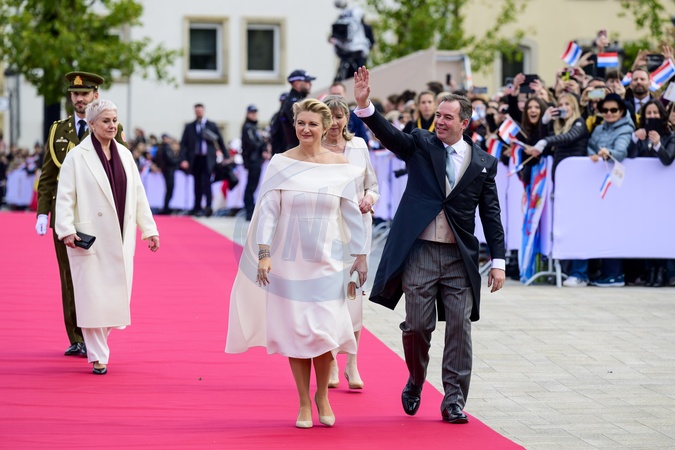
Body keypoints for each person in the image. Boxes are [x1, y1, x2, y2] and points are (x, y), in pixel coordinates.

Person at [352, 67, 506, 424]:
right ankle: (416, 377)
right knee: (417, 326)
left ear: (464, 122)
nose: (439, 121)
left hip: (458, 258)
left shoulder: (484, 163)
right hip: (420, 251)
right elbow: (392, 137)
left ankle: (454, 400)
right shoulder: (421, 144)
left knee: (460, 329)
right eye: (437, 115)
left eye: (447, 117)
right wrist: (366, 107)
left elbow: (491, 214)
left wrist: (498, 261)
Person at [226, 98, 368, 429]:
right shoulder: (280, 163)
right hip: (290, 265)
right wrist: (264, 254)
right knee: (297, 333)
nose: (306, 129)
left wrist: (361, 256)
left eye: (312, 124)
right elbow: (268, 211)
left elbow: (352, 214)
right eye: (300, 123)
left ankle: (323, 396)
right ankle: (304, 401)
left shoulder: (341, 166)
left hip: (328, 262)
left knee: (325, 332)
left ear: (326, 127)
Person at [55, 99, 159, 375]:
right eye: (105, 121)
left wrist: (149, 229)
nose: (112, 125)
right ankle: (98, 355)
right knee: (92, 298)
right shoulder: (76, 157)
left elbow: (138, 195)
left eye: (114, 120)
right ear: (91, 124)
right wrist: (65, 229)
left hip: (121, 236)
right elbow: (64, 197)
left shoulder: (125, 154)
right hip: (89, 237)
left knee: (115, 299)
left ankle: (99, 345)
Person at [35, 72, 126, 357]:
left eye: (85, 94)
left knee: (97, 276)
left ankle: (96, 333)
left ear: (95, 96)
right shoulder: (58, 130)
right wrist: (42, 212)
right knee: (69, 276)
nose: (79, 99)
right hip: (65, 214)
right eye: (75, 94)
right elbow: (48, 175)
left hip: (98, 214)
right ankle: (77, 337)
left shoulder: (109, 126)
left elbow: (120, 172)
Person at [322, 95, 379, 390]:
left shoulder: (358, 146)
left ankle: (352, 363)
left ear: (347, 118)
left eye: (339, 116)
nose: (334, 122)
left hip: (357, 230)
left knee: (354, 298)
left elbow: (373, 184)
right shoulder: (314, 149)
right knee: (329, 299)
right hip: (325, 232)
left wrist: (369, 198)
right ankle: (331, 361)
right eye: (329, 116)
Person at [587, 93, 634, 287]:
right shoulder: (598, 128)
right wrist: (595, 155)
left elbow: (621, 152)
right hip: (600, 187)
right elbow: (590, 146)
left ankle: (615, 274)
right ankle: (605, 272)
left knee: (614, 227)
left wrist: (608, 153)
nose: (609, 113)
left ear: (621, 111)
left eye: (614, 110)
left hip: (618, 186)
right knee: (601, 226)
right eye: (605, 110)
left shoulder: (626, 129)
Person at [179, 103, 226, 217]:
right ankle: (197, 207)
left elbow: (220, 141)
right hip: (195, 159)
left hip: (208, 159)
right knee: (197, 184)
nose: (198, 113)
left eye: (200, 110)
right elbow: (183, 144)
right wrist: (183, 159)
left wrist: (226, 156)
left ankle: (208, 207)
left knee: (207, 183)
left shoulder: (211, 125)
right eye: (197, 111)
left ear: (204, 111)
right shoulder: (190, 127)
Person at [240, 104, 270, 221]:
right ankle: (249, 210)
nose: (254, 115)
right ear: (247, 114)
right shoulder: (248, 127)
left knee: (253, 186)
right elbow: (253, 143)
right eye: (251, 113)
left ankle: (251, 209)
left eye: (255, 112)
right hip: (252, 160)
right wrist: (263, 142)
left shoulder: (254, 127)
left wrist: (263, 146)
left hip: (256, 160)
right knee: (251, 186)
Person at [279, 70, 316, 151]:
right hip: (296, 148)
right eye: (307, 81)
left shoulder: (298, 100)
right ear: (296, 84)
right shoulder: (293, 103)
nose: (310, 84)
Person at [155, 134, 182, 215]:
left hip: (168, 170)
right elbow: (171, 160)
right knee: (170, 188)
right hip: (168, 171)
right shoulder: (165, 148)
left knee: (170, 189)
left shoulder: (164, 148)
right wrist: (179, 160)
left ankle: (166, 207)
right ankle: (166, 208)